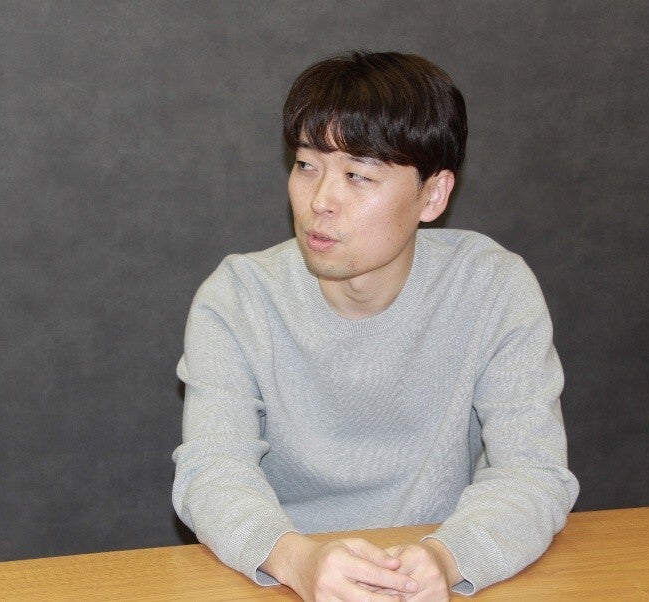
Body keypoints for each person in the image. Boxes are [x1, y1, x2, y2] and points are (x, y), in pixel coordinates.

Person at [172, 51, 578, 600]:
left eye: (358, 175)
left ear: (433, 195)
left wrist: (446, 558)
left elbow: (533, 474)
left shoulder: (492, 288)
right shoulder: (238, 298)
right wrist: (299, 560)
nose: (320, 201)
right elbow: (211, 473)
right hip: (285, 581)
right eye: (306, 165)